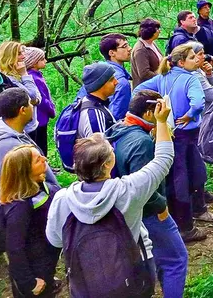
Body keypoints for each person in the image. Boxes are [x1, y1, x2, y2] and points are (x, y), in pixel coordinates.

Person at [45, 102, 174, 296]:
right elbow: (163, 159)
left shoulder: (62, 199)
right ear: (107, 164)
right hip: (130, 275)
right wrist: (162, 122)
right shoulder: (128, 191)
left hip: (85, 275)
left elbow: (55, 240)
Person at [106, 91, 188, 298]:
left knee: (159, 257)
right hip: (150, 213)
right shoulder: (142, 142)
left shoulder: (120, 129)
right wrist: (160, 207)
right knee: (176, 260)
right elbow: (144, 184)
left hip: (127, 211)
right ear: (150, 112)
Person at [134, 43, 210, 242]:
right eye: (193, 57)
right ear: (182, 62)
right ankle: (187, 225)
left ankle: (179, 219)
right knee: (188, 175)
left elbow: (139, 90)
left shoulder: (163, 78)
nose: (197, 60)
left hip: (168, 133)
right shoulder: (191, 79)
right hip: (188, 134)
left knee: (175, 175)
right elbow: (199, 102)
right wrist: (190, 114)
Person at [0, 145, 61, 297]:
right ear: (25, 172)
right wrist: (29, 283)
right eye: (38, 160)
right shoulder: (19, 207)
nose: (45, 159)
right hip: (34, 271)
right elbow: (14, 249)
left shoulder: (38, 188)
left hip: (44, 262)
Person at [0, 88, 59, 204]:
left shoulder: (15, 132)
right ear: (22, 110)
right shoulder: (9, 146)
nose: (33, 107)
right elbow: (19, 188)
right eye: (30, 103)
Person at [0, 41, 42, 135]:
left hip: (32, 125)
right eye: (19, 54)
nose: (24, 56)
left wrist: (35, 100)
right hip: (24, 130)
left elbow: (37, 96)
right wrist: (25, 74)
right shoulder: (9, 79)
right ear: (9, 57)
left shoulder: (18, 74)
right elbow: (33, 96)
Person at [23, 47, 55, 156]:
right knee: (40, 142)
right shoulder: (33, 77)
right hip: (39, 116)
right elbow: (42, 98)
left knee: (42, 141)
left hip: (42, 117)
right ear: (34, 62)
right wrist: (51, 110)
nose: (45, 61)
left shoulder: (37, 75)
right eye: (42, 59)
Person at [75, 62, 117, 138]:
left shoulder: (90, 101)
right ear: (100, 84)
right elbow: (99, 148)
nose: (116, 82)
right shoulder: (94, 115)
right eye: (111, 80)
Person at [98, 34, 133, 120]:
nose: (129, 48)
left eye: (128, 44)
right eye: (124, 46)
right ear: (111, 53)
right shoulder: (121, 82)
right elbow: (117, 118)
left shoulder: (98, 71)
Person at [132, 19, 163, 87]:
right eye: (157, 29)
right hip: (145, 89)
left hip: (155, 85)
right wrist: (162, 77)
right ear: (151, 32)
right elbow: (144, 73)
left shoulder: (152, 43)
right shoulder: (140, 50)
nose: (159, 31)